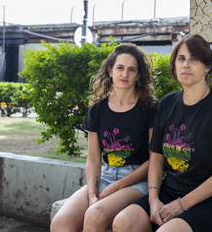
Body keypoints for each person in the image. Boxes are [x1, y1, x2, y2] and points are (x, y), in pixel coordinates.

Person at [113, 34, 212, 232]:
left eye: (194, 59)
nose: (186, 65)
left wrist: (182, 204)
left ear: (207, 66)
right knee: (123, 222)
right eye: (181, 58)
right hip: (170, 193)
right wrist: (153, 200)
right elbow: (157, 159)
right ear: (175, 65)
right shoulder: (167, 104)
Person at [50, 43, 157, 232]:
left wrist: (116, 188)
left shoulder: (148, 109)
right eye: (120, 68)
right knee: (61, 223)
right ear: (110, 70)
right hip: (106, 177)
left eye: (132, 69)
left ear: (139, 75)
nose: (125, 74)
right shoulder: (97, 110)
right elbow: (92, 159)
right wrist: (92, 193)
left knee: (95, 214)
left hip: (137, 181)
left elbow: (154, 161)